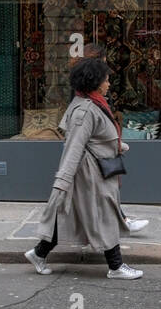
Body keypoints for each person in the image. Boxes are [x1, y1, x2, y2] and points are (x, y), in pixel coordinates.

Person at [25, 57, 142, 279]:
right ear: (96, 82)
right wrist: (62, 181)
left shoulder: (93, 103)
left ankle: (39, 253)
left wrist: (117, 145)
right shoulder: (85, 110)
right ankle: (116, 266)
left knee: (73, 215)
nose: (109, 84)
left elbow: (96, 138)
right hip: (90, 173)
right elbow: (74, 146)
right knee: (106, 212)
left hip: (97, 168)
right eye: (106, 80)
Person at [67, 43, 147, 234]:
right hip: (90, 158)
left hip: (92, 155)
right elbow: (82, 132)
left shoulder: (94, 93)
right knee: (98, 192)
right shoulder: (86, 98)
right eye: (103, 63)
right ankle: (118, 232)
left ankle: (119, 224)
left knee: (99, 193)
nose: (108, 77)